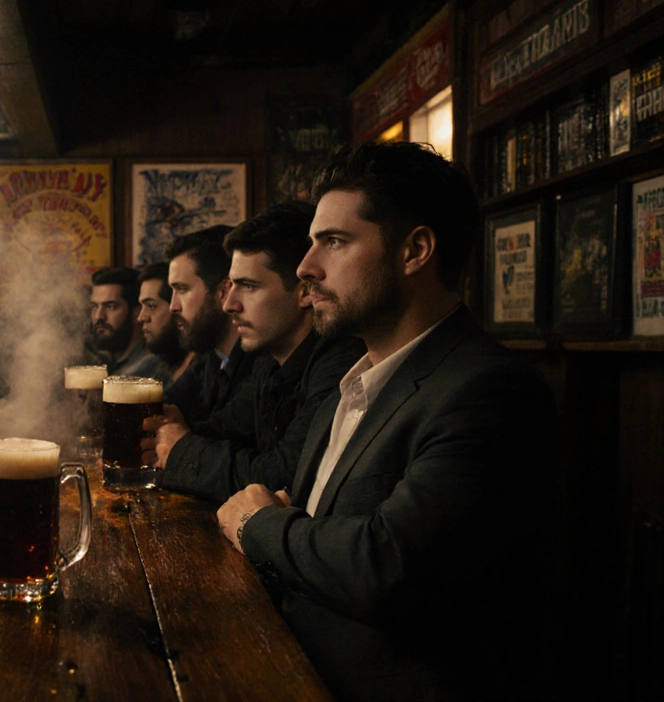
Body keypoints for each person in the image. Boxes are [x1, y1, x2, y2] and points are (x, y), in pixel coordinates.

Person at [219, 143, 557, 701]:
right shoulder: (350, 387)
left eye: (334, 241)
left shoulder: (488, 390)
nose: (306, 267)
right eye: (311, 243)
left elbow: (389, 565)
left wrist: (260, 527)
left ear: (416, 250)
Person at [154, 202, 365, 501]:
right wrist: (176, 431)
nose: (229, 305)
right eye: (231, 286)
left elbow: (283, 476)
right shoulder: (270, 362)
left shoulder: (339, 363)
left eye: (248, 286)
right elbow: (225, 429)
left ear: (305, 291)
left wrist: (181, 449)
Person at [160, 225, 254, 439]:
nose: (173, 306)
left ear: (223, 292)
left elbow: (218, 437)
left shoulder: (258, 362)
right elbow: (167, 404)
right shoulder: (210, 358)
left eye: (182, 289)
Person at [89, 266, 170, 381]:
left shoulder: (149, 366)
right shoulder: (105, 360)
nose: (98, 316)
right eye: (94, 307)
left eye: (111, 306)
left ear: (136, 312)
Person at [137, 262, 193, 382]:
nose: (141, 317)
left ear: (176, 307)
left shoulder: (204, 371)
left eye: (151, 306)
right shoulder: (157, 369)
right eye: (141, 306)